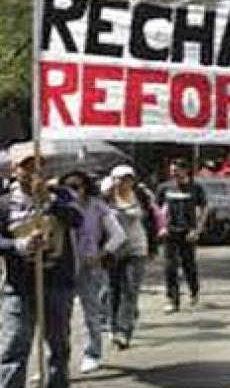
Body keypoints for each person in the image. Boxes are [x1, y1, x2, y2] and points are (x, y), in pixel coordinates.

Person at [0, 146, 83, 388]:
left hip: (57, 282)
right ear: (15, 170)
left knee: (58, 345)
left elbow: (77, 220)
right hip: (20, 285)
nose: (33, 171)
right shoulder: (4, 203)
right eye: (26, 166)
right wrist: (17, 244)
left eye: (38, 165)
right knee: (15, 343)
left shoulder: (62, 195)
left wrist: (49, 199)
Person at [60, 170, 126, 374]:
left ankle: (93, 353)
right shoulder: (57, 207)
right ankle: (57, 360)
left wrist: (99, 255)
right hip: (62, 268)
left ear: (86, 187)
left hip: (89, 267)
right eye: (68, 186)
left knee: (91, 314)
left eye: (77, 186)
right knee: (60, 318)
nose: (73, 191)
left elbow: (118, 235)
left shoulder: (97, 206)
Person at [107, 165, 160, 350]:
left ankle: (123, 331)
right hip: (112, 251)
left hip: (136, 249)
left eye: (127, 178)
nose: (123, 182)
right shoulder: (105, 198)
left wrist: (153, 248)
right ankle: (114, 326)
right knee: (112, 292)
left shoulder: (141, 197)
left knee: (130, 290)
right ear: (112, 179)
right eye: (119, 178)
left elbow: (152, 222)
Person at [156, 159, 207, 313]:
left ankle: (194, 290)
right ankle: (172, 299)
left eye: (177, 171)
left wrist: (197, 230)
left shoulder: (195, 188)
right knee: (169, 266)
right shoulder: (164, 188)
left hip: (188, 232)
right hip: (170, 232)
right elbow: (157, 211)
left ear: (185, 171)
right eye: (172, 171)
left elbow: (203, 210)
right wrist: (161, 227)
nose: (174, 174)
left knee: (188, 264)